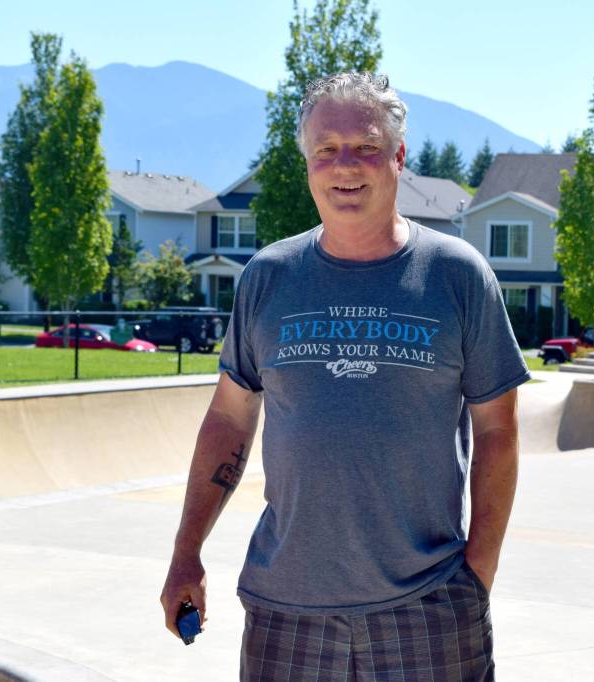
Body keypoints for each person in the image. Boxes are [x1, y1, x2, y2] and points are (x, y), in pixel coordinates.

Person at [160, 72, 530, 681]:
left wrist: (476, 575)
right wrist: (186, 554)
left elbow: (498, 430)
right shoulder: (268, 277)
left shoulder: (457, 275)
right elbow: (228, 419)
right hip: (285, 613)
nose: (345, 165)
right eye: (326, 149)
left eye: (366, 146)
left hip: (430, 607)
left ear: (399, 157)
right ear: (308, 163)